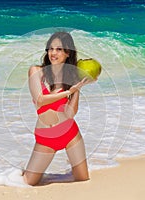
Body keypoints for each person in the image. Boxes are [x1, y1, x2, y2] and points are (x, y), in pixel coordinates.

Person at [23, 32, 91, 186]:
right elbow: (40, 100)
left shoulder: (71, 79)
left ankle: (70, 167)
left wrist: (77, 87)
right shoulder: (36, 71)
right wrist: (69, 92)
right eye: (51, 48)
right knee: (28, 182)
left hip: (70, 133)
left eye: (59, 49)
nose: (53, 53)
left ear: (68, 53)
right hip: (46, 137)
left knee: (82, 179)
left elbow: (70, 113)